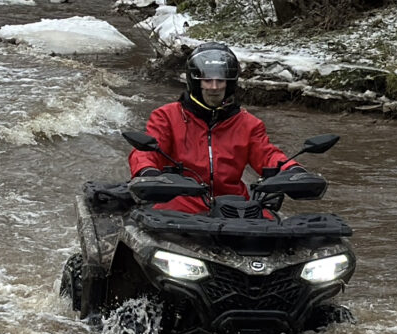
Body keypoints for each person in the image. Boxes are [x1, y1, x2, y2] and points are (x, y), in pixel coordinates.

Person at [128, 41, 306, 213]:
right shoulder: (166, 116)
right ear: (196, 81)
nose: (214, 87)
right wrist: (148, 171)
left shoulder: (248, 123)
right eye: (208, 80)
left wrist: (292, 170)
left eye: (220, 81)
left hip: (234, 205)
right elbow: (147, 152)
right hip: (179, 202)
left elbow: (268, 155)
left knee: (272, 224)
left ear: (229, 83)